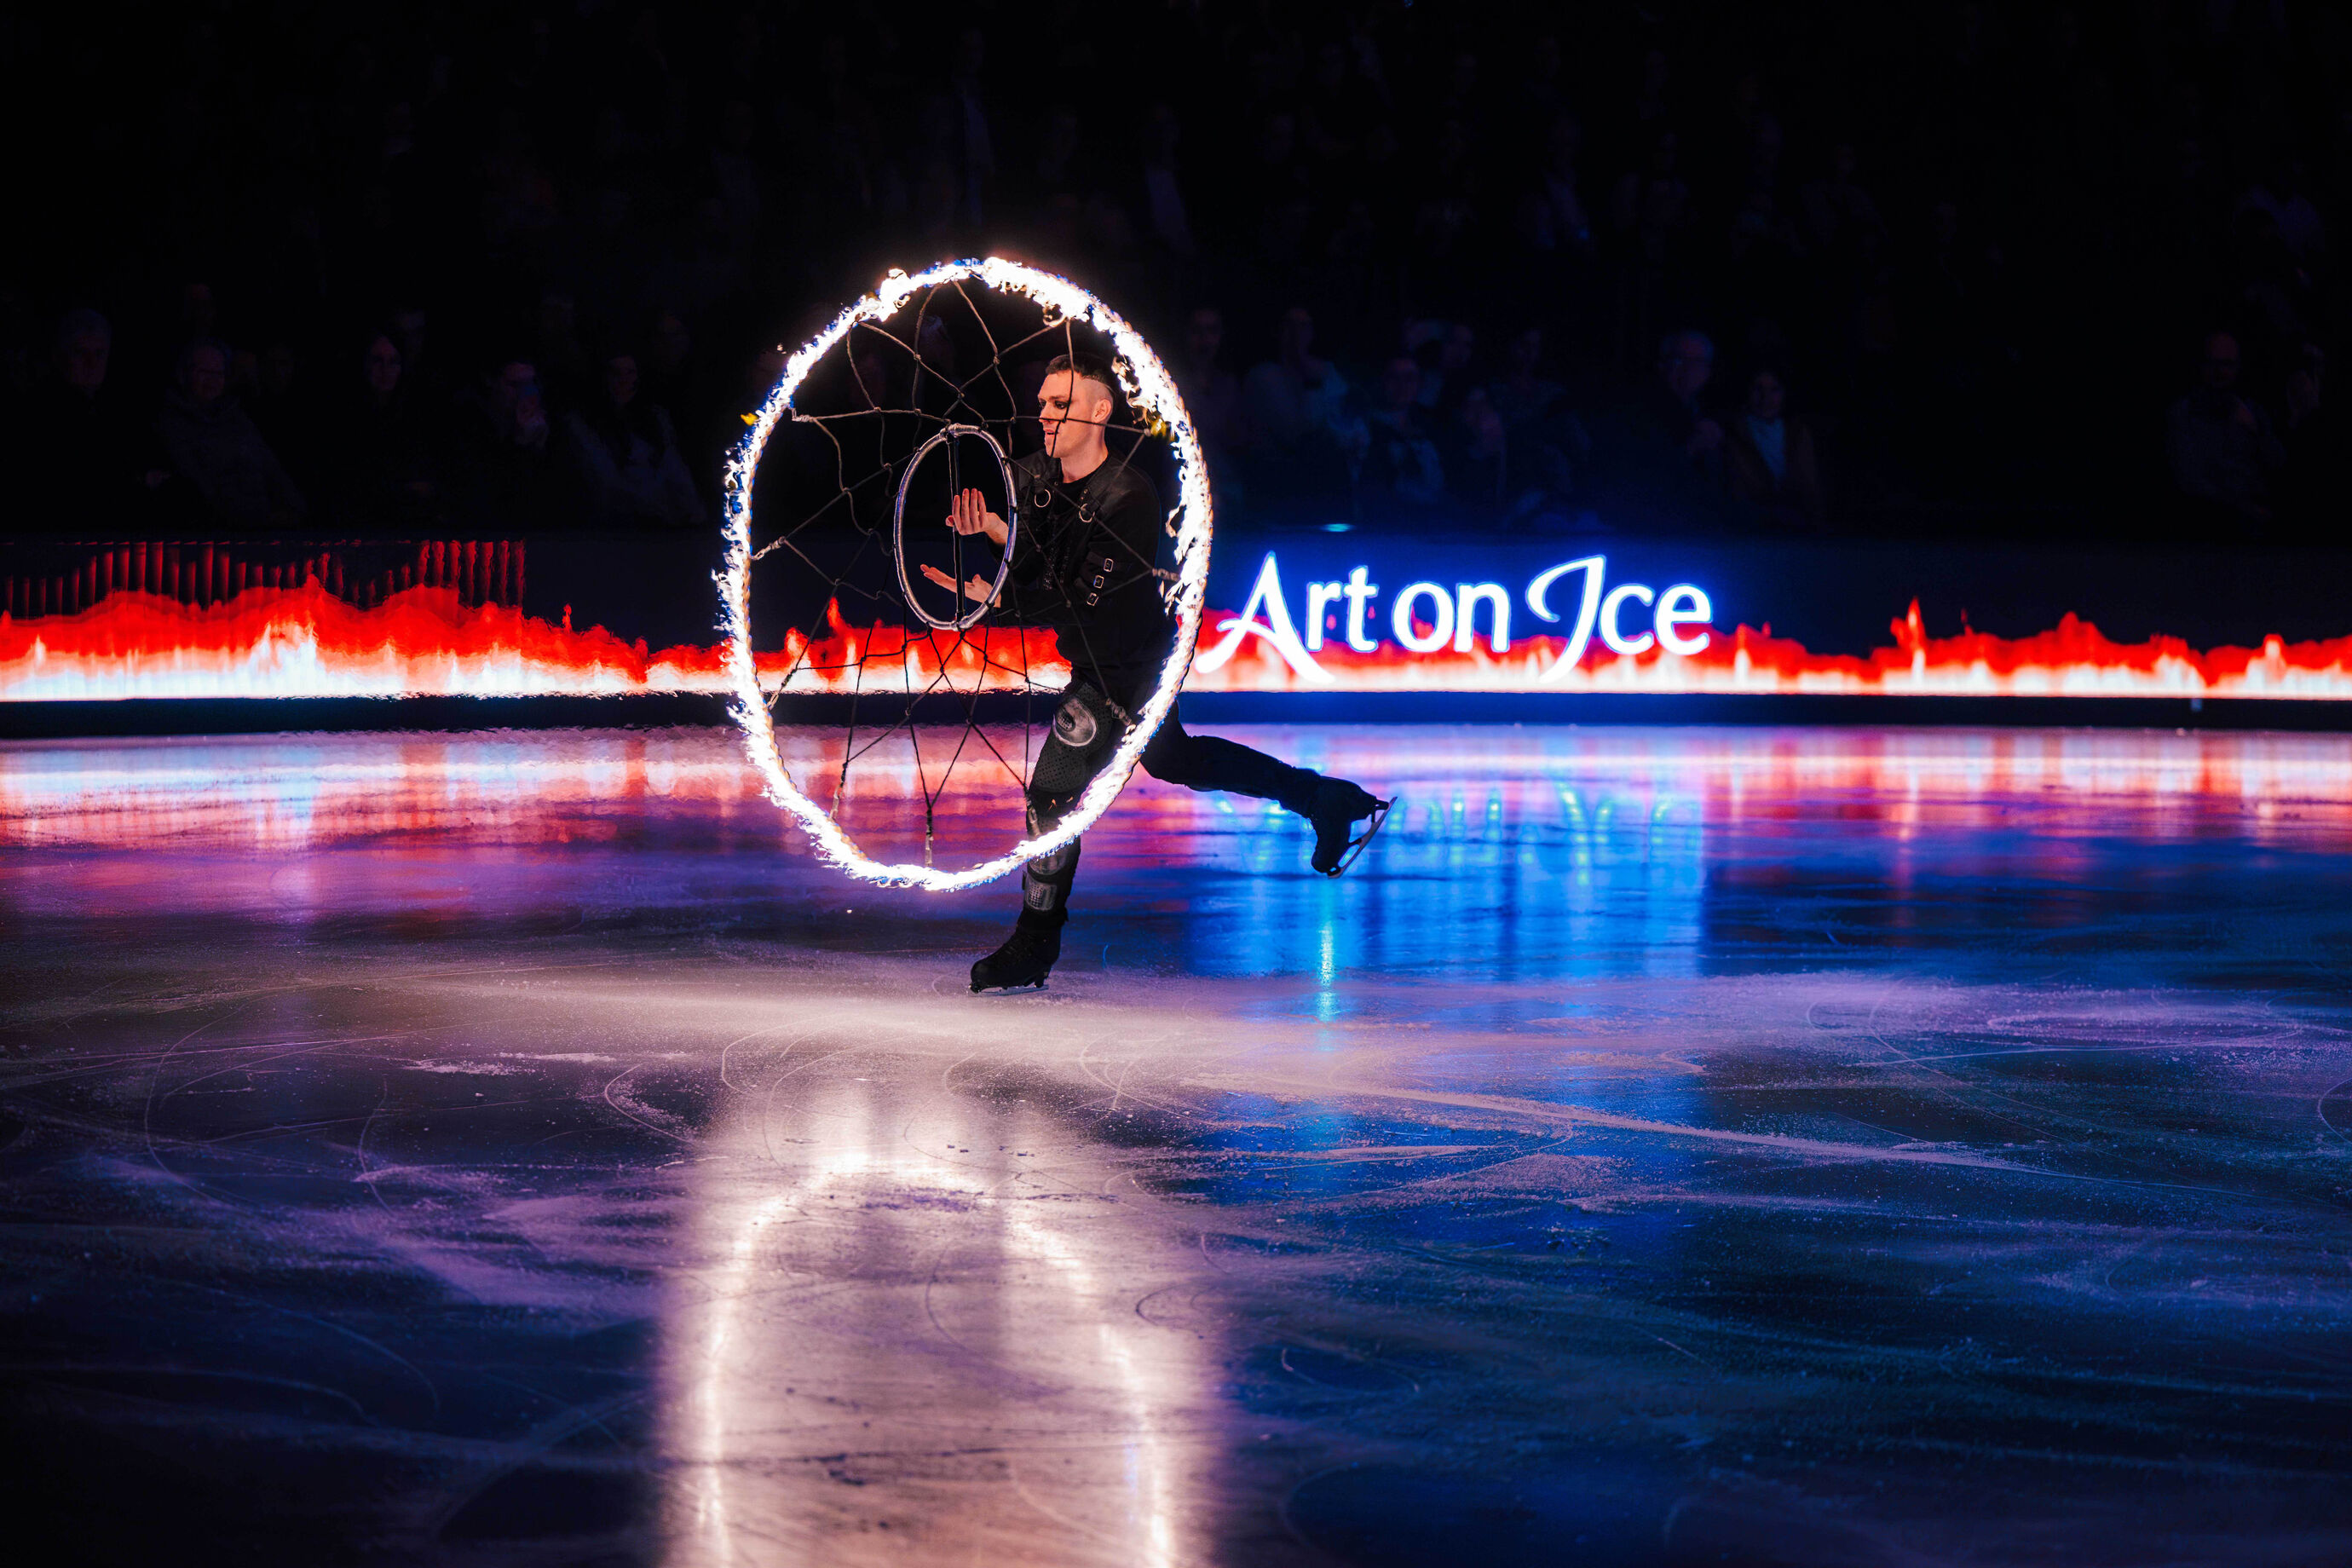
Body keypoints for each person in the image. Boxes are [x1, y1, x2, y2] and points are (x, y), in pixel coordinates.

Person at [922, 351, 1385, 992]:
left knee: (1052, 793)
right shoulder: (1027, 475)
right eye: (1043, 403)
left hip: (1133, 662)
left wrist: (998, 598)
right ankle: (1323, 798)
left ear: (1099, 412)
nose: (1045, 415)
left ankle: (1035, 942)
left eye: (1061, 404)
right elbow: (1045, 557)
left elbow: (1082, 599)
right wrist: (1000, 532)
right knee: (1173, 759)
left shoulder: (1129, 496)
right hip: (1100, 655)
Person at [2166, 331, 2283, 522]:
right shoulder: (2184, 413)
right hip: (2208, 519)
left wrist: (2255, 431)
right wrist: (2244, 508)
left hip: (2258, 519)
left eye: (2227, 364)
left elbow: (2278, 466)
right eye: (2212, 363)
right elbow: (2190, 481)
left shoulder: (2251, 410)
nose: (2219, 372)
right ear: (2202, 366)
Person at [1725, 367, 1825, 527]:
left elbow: (1809, 485)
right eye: (1758, 389)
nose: (1766, 398)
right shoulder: (1733, 433)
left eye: (1774, 390)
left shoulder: (1797, 433)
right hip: (1749, 527)